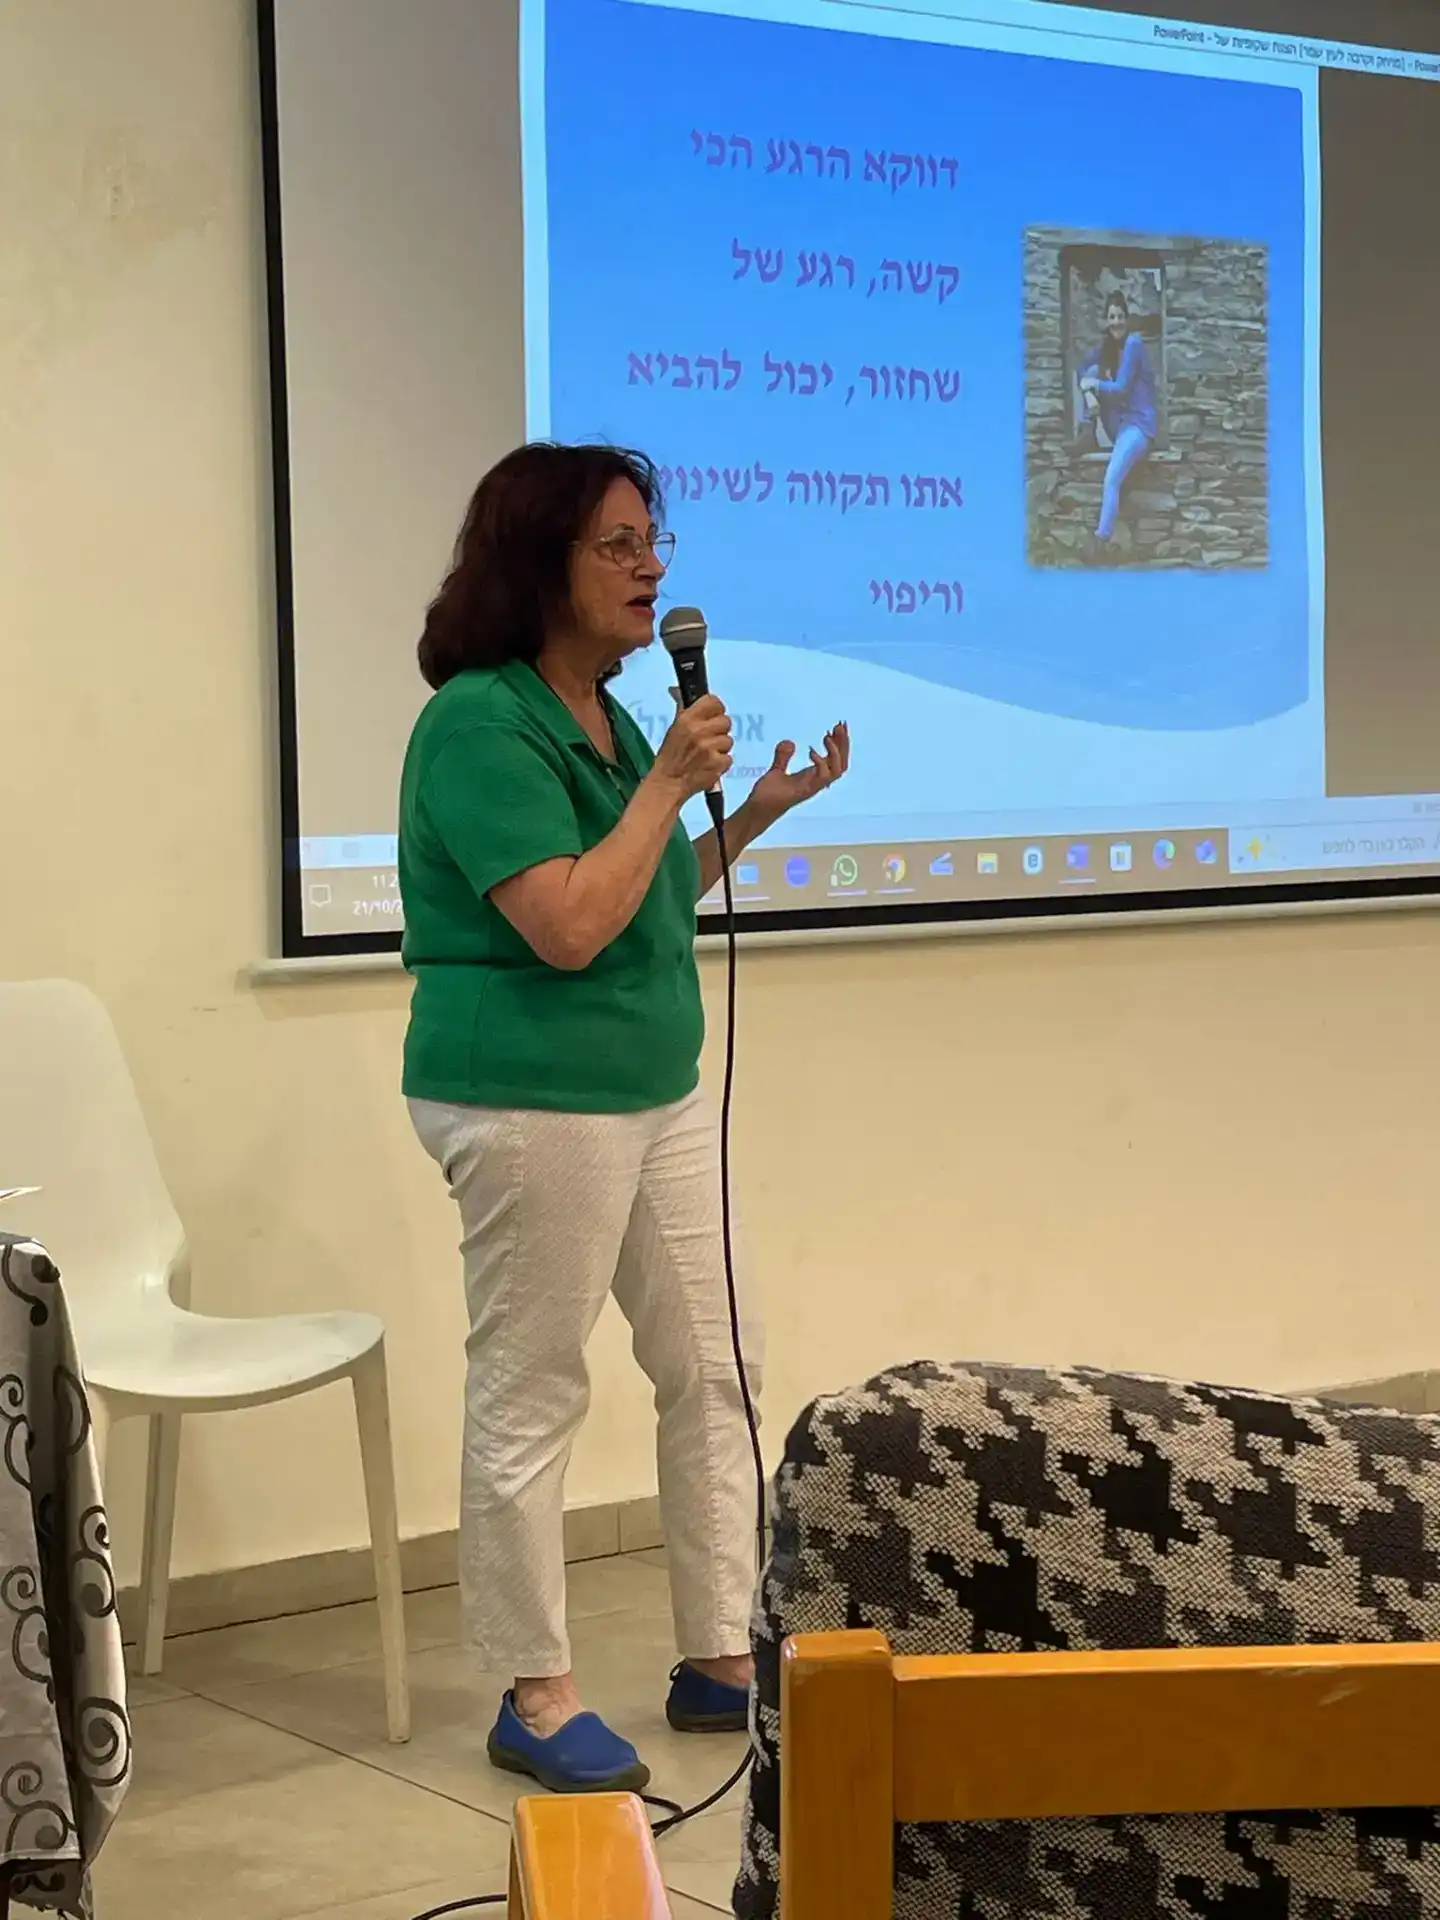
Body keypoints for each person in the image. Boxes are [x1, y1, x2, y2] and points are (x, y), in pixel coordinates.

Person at [399, 441, 850, 1794]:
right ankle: (535, 1694)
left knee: (717, 1367)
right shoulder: (480, 725)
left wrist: (749, 813)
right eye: (619, 543)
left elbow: (643, 890)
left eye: (655, 541)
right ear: (540, 564)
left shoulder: (606, 714)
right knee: (534, 1387)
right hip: (531, 1101)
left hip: (657, 1090)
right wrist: (666, 784)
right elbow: (568, 927)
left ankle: (720, 1656)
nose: (652, 566)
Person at [1078, 290, 1158, 558]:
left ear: (1128, 319)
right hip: (1120, 424)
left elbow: (1122, 387)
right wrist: (1089, 394)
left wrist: (1094, 385)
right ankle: (1087, 430)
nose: (1116, 322)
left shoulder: (1134, 343)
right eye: (1111, 317)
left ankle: (1100, 542)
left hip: (1139, 425)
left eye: (1120, 316)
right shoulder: (1108, 348)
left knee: (1112, 477)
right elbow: (1081, 368)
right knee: (1091, 371)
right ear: (1106, 320)